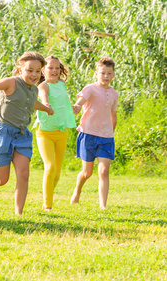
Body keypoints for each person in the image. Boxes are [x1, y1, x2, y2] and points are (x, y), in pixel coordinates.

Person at [0, 51, 54, 215]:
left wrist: (46, 108)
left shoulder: (33, 90)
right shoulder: (11, 83)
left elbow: (32, 104)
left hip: (22, 135)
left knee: (24, 174)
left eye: (38, 71)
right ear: (20, 68)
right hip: (3, 133)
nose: (34, 74)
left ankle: (19, 213)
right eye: (30, 70)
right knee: (1, 179)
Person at [70, 57, 118, 209]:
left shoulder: (115, 94)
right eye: (103, 73)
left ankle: (103, 205)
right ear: (96, 73)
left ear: (113, 75)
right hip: (88, 134)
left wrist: (111, 132)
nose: (106, 76)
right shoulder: (90, 88)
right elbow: (80, 102)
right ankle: (77, 192)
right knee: (87, 173)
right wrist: (76, 107)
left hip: (106, 137)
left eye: (109, 73)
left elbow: (113, 116)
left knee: (104, 171)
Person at [34, 56, 76, 211]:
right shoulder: (43, 86)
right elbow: (44, 98)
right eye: (50, 67)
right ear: (43, 71)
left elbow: (62, 103)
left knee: (57, 173)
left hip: (61, 131)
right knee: (50, 167)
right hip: (45, 133)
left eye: (57, 68)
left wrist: (72, 107)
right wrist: (46, 104)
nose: (54, 71)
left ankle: (47, 196)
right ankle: (48, 205)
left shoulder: (62, 84)